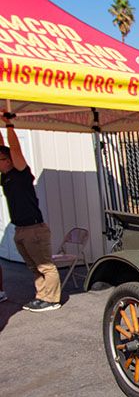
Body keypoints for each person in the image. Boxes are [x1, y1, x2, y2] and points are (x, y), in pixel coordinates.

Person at [0, 115, 61, 311]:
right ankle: (42, 296)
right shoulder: (6, 176)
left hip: (34, 229)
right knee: (34, 267)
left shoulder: (20, 171)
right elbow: (1, 146)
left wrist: (9, 125)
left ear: (9, 160)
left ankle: (53, 300)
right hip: (21, 230)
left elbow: (14, 149)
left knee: (45, 266)